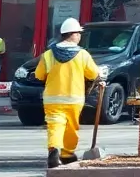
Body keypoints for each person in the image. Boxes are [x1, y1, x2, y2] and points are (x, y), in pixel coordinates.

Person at [35, 18, 102, 169]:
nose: (79, 36)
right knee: (71, 127)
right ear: (73, 34)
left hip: (52, 98)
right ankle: (67, 154)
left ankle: (54, 150)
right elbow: (93, 74)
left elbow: (39, 75)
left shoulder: (48, 55)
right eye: (78, 33)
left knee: (55, 125)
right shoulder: (83, 55)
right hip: (74, 98)